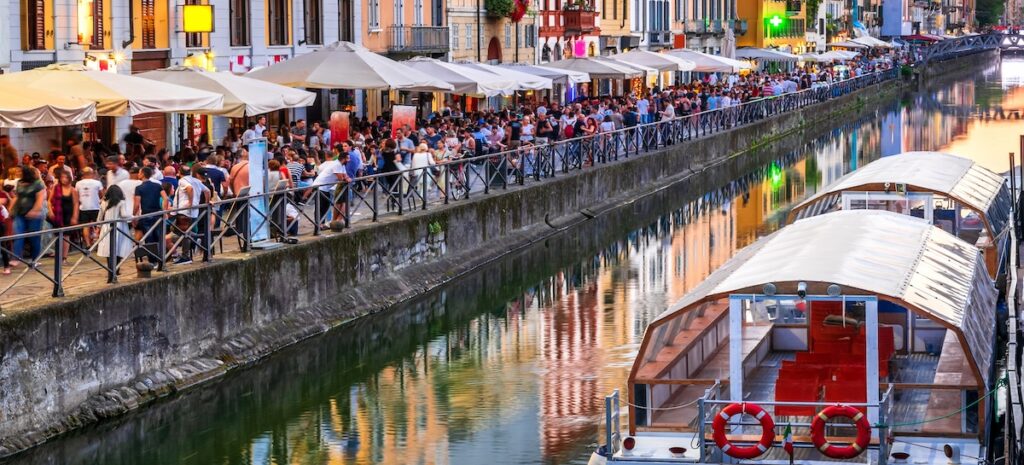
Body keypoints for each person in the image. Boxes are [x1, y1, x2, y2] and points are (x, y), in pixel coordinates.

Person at [10, 166, 46, 265]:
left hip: (34, 215)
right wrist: (11, 208)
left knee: (34, 238)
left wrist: (34, 210)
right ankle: (16, 258)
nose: (18, 173)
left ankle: (35, 259)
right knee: (18, 235)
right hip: (19, 212)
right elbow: (17, 196)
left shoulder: (38, 184)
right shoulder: (19, 183)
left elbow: (40, 199)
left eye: (20, 172)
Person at [312, 145, 350, 226]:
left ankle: (321, 224)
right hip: (319, 186)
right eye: (348, 158)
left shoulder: (342, 165)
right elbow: (341, 178)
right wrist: (346, 179)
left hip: (325, 188)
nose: (349, 160)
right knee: (320, 207)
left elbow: (345, 175)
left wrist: (346, 178)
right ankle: (318, 225)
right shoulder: (336, 165)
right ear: (344, 159)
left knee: (326, 206)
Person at [96, 185, 133, 264]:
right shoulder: (121, 202)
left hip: (106, 226)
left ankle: (110, 267)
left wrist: (98, 227)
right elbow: (124, 215)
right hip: (120, 227)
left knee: (108, 248)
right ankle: (116, 267)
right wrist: (133, 216)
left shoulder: (104, 202)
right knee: (119, 248)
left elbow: (99, 217)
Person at [48, 170, 79, 262]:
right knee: (57, 235)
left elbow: (76, 204)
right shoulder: (56, 187)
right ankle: (58, 255)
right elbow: (49, 200)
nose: (63, 179)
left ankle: (64, 257)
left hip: (68, 214)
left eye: (65, 177)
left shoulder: (73, 190)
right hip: (57, 214)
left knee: (66, 235)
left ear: (69, 178)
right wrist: (50, 211)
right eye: (62, 177)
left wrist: (75, 216)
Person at [134, 166, 167, 245]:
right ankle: (160, 252)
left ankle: (151, 253)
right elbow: (166, 198)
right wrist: (164, 211)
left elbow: (137, 204)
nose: (138, 174)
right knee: (158, 237)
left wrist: (134, 215)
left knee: (149, 238)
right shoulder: (157, 185)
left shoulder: (139, 188)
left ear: (142, 174)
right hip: (158, 214)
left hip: (146, 215)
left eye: (139, 173)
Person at [75, 167, 103, 247]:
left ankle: (88, 244)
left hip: (83, 207)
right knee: (98, 226)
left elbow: (77, 196)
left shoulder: (78, 183)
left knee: (85, 226)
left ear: (83, 174)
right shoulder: (97, 183)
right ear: (92, 173)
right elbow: (101, 195)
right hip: (96, 207)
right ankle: (99, 243)